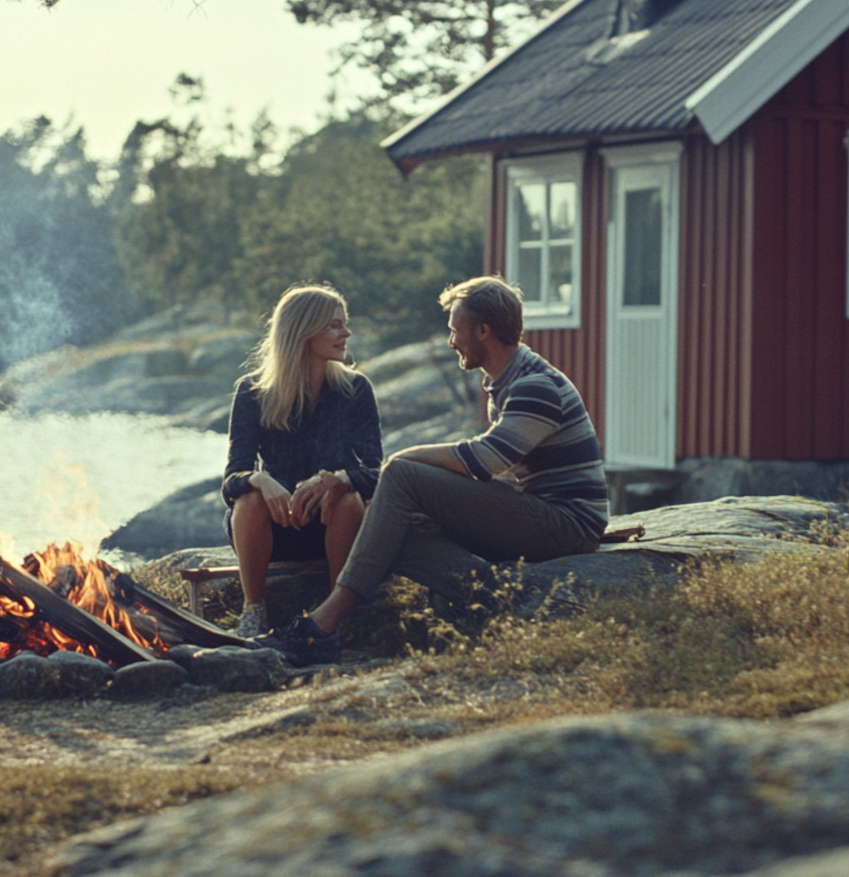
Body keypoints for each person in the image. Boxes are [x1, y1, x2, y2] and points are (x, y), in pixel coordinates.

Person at [252, 275, 608, 665]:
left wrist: (400, 461)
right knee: (390, 518)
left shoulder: (535, 385)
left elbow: (486, 461)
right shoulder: (507, 381)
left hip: (567, 525)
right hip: (536, 510)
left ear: (483, 330)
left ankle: (324, 623)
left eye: (456, 330)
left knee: (401, 478)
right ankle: (485, 590)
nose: (451, 341)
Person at [222, 284, 383, 637]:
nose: (346, 333)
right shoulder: (252, 392)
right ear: (303, 330)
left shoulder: (355, 389)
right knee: (247, 498)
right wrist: (261, 480)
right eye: (334, 325)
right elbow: (232, 479)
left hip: (335, 526)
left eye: (345, 323)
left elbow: (378, 472)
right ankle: (254, 611)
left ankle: (334, 614)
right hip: (272, 531)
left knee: (349, 496)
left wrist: (339, 479)